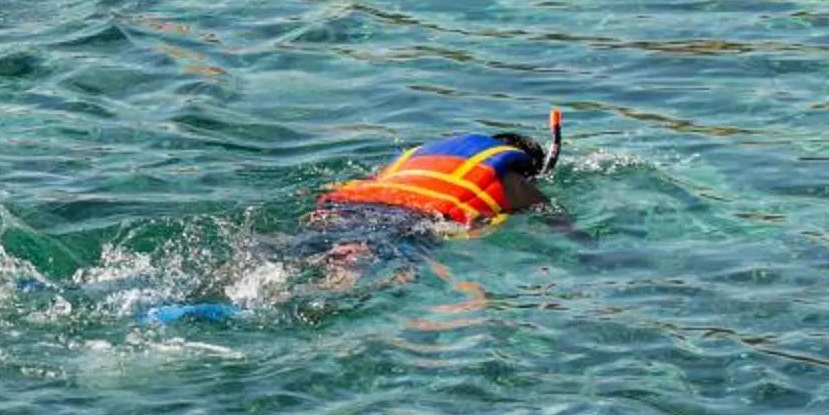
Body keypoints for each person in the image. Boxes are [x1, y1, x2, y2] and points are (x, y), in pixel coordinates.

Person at [143, 111, 571, 322]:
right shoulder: (514, 177)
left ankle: (195, 288)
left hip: (349, 206)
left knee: (290, 249)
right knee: (347, 274)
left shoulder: (424, 155)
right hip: (407, 219)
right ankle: (251, 312)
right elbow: (558, 224)